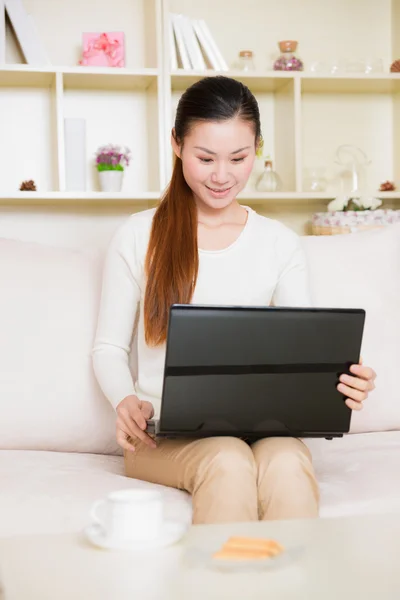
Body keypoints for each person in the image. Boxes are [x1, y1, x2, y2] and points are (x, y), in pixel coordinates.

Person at [92, 76, 376, 524]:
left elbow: (303, 349)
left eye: (238, 158)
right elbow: (108, 349)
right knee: (226, 459)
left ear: (257, 149)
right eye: (206, 158)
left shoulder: (279, 244)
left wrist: (342, 380)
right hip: (161, 437)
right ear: (177, 146)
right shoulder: (137, 235)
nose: (222, 176)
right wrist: (125, 400)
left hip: (264, 430)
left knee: (286, 463)